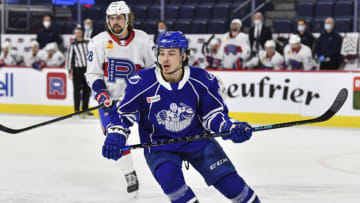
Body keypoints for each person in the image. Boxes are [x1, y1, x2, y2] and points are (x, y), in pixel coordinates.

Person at [102, 31, 260, 203]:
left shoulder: (201, 79)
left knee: (234, 187)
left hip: (197, 139)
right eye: (161, 53)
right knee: (171, 181)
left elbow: (213, 115)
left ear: (183, 56)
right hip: (160, 145)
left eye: (171, 53)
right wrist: (116, 133)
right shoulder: (142, 82)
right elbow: (123, 113)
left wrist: (230, 128)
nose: (165, 59)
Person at [85, 1, 156, 194]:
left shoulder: (143, 40)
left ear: (127, 19)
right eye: (112, 18)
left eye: (119, 18)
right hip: (111, 102)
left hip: (138, 100)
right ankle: (129, 173)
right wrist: (101, 92)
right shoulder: (98, 41)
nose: (115, 22)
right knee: (114, 136)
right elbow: (93, 74)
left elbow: (153, 71)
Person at [65, 24, 92, 116]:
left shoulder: (87, 42)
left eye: (79, 32)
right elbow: (68, 58)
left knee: (87, 89)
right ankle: (76, 109)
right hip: (77, 69)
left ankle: (85, 108)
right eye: (76, 32)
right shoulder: (72, 45)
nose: (77, 34)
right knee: (77, 89)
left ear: (82, 33)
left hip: (87, 68)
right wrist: (69, 70)